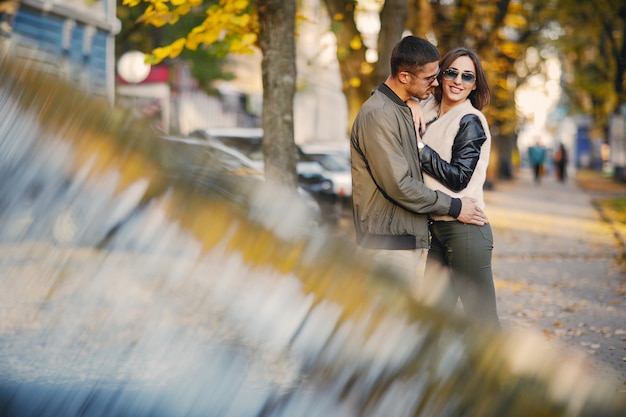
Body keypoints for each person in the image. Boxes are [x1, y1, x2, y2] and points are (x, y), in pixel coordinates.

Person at [350, 36, 488, 292]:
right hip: (387, 244)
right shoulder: (379, 115)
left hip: (403, 240)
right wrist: (455, 206)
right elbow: (399, 185)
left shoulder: (402, 108)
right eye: (430, 78)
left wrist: (411, 103)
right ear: (404, 77)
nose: (437, 83)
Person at [406, 47, 500, 328]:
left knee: (482, 321)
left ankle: (496, 374)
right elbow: (396, 97)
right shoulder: (428, 109)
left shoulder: (470, 121)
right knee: (431, 321)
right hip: (437, 231)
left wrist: (420, 148)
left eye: (467, 76)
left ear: (474, 84)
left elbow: (459, 178)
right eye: (452, 72)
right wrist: (410, 102)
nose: (458, 80)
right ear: (440, 75)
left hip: (466, 233)